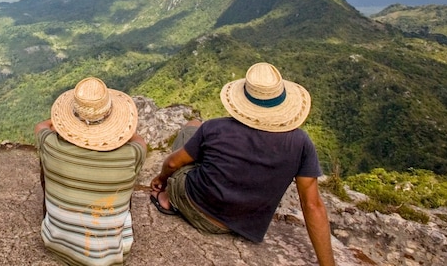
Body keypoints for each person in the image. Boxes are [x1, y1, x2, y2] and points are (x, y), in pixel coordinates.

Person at [149, 62, 336, 266]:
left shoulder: (215, 128)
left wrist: (162, 178)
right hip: (245, 225)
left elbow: (174, 162)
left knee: (190, 128)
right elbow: (312, 204)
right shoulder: (301, 143)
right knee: (196, 132)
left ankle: (168, 199)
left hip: (198, 209)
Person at [35, 77, 146, 266]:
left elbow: (41, 127)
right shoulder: (132, 154)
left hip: (54, 244)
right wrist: (121, 130)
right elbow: (139, 140)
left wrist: (63, 122)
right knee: (125, 182)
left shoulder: (50, 144)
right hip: (111, 256)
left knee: (45, 163)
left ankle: (62, 226)